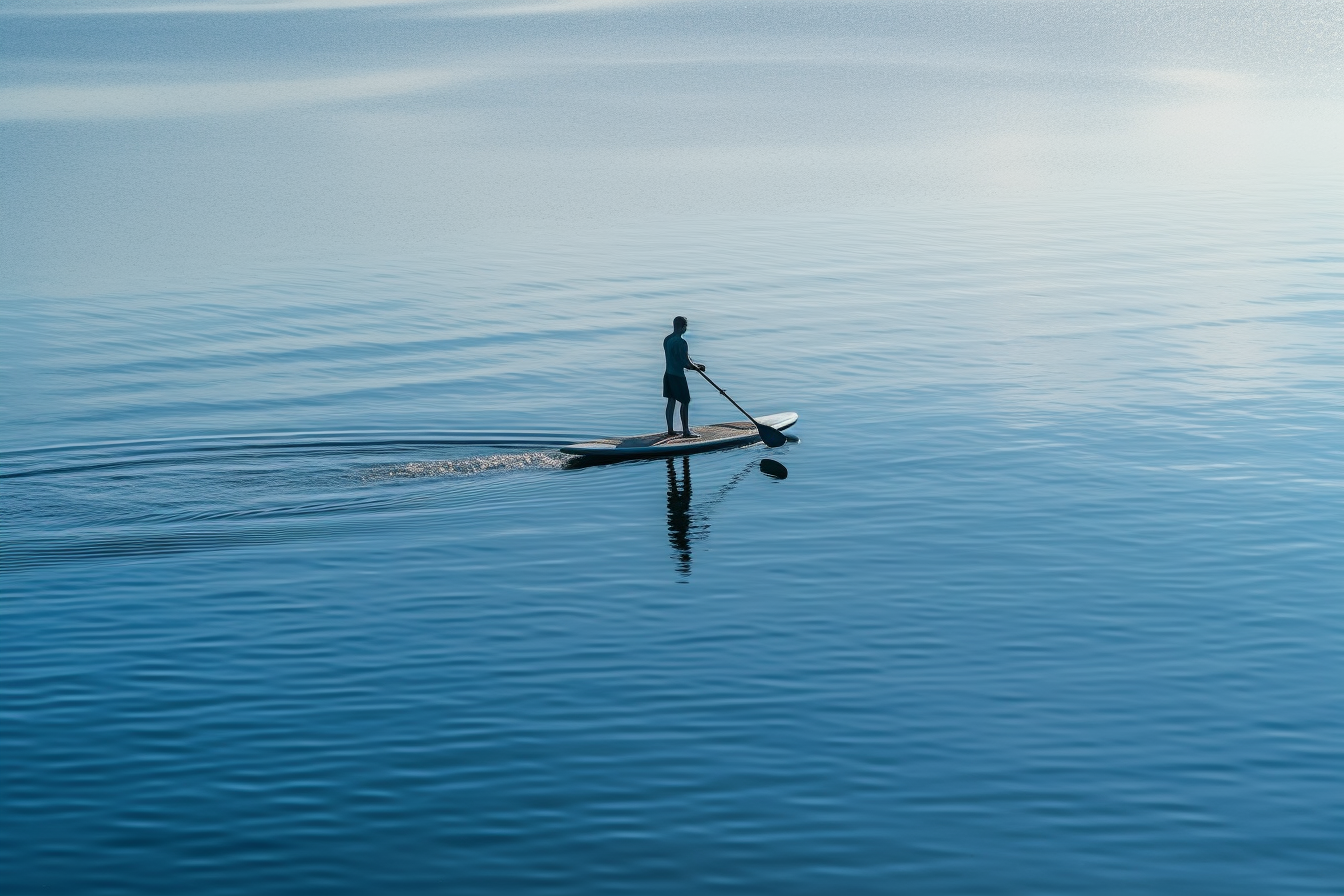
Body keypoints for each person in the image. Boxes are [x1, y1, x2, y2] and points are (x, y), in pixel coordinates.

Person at [663, 316, 705, 438]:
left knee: (671, 401)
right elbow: (685, 363)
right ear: (683, 327)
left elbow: (681, 358)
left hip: (668, 374)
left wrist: (695, 365)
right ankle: (686, 431)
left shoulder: (667, 339)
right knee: (685, 401)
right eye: (685, 326)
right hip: (677, 376)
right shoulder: (681, 342)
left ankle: (670, 430)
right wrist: (696, 368)